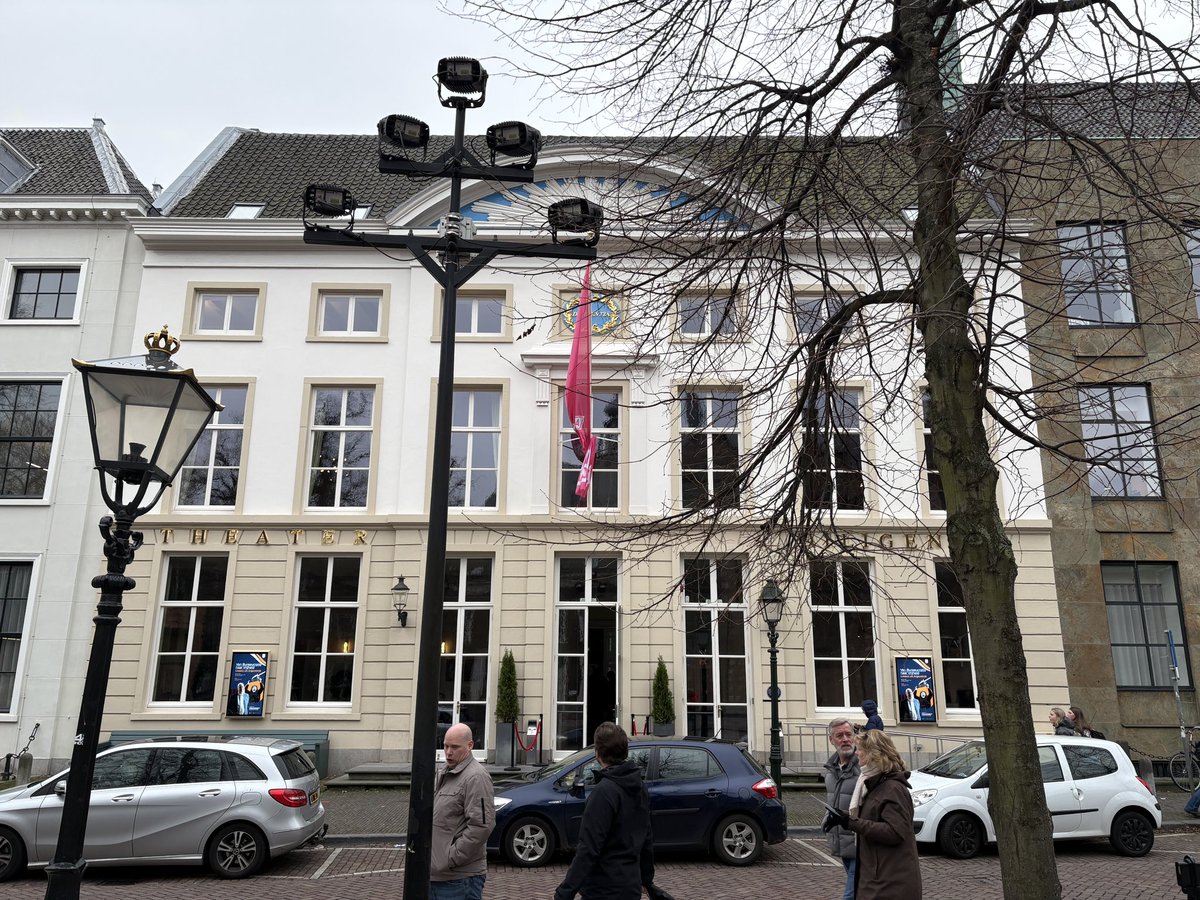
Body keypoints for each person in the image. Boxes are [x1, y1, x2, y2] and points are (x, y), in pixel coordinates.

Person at [554, 722, 668, 900]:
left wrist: (565, 892)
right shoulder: (639, 787)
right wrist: (646, 879)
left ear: (597, 753)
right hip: (630, 887)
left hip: (603, 889)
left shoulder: (603, 792)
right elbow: (646, 837)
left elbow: (588, 848)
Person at [826, 729, 922, 900]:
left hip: (890, 882)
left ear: (873, 754)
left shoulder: (893, 789)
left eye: (860, 749)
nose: (857, 753)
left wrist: (851, 822)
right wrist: (842, 817)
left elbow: (895, 832)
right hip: (877, 877)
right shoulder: (873, 784)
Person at [431, 723, 495, 900]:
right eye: (445, 746)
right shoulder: (444, 772)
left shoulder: (476, 777)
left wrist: (450, 858)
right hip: (438, 875)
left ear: (470, 745)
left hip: (460, 879)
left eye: (455, 747)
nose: (448, 752)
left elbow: (482, 826)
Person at [822, 718, 860, 900]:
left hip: (861, 845)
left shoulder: (865, 767)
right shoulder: (830, 770)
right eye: (839, 736)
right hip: (842, 843)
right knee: (861, 892)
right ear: (831, 740)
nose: (845, 739)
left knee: (850, 895)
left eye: (848, 734)